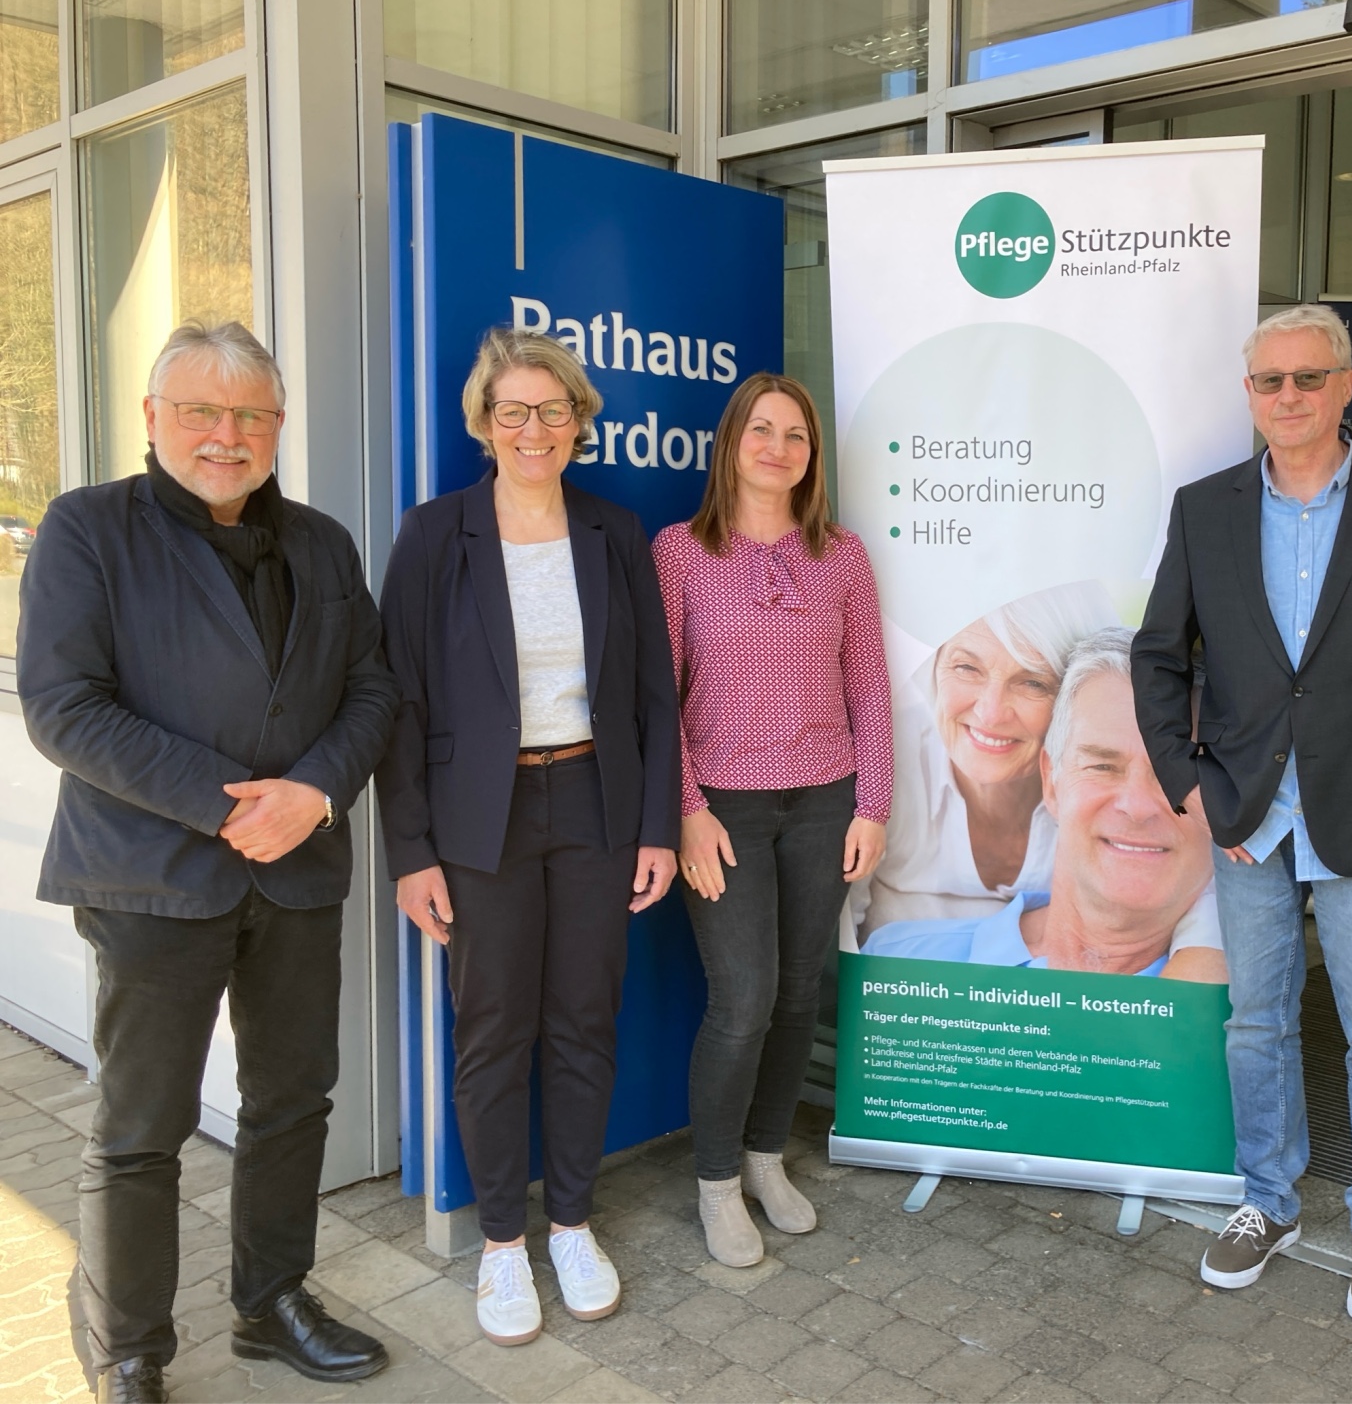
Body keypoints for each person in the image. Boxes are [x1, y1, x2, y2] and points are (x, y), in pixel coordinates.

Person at [17, 321, 399, 1403]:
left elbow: (373, 687)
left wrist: (317, 792)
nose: (226, 436)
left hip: (298, 872)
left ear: (277, 425)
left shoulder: (323, 543)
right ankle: (129, 1345)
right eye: (200, 411)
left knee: (293, 1102)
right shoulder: (88, 531)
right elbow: (62, 707)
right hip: (149, 879)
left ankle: (270, 1303)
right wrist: (233, 809)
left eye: (250, 415)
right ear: (152, 418)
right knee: (143, 1127)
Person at [1133, 303, 1352, 1324]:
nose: (1287, 396)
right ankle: (1267, 1201)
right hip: (1246, 813)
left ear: (1346, 383)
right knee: (1257, 1023)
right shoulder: (1205, 509)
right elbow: (1159, 655)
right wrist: (1187, 782)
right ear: (1249, 396)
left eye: (1307, 377)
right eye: (1268, 381)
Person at [375, 328, 681, 1347]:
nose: (535, 428)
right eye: (515, 410)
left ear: (580, 420)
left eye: (554, 409)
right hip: (480, 820)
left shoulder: (614, 530)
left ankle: (570, 1225)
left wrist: (656, 827)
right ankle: (502, 1244)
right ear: (483, 422)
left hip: (595, 804)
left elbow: (650, 696)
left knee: (586, 1021)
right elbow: (401, 702)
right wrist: (411, 850)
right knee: (493, 1028)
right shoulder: (434, 534)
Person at [654, 372, 893, 1269]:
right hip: (726, 811)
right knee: (744, 999)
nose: (779, 448)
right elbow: (657, 699)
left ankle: (764, 1160)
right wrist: (685, 810)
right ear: (732, 443)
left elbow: (868, 686)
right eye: (763, 430)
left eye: (796, 435)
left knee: (799, 994)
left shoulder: (844, 556)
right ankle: (715, 1183)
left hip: (823, 800)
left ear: (812, 456)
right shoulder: (679, 552)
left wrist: (871, 803)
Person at [856, 585, 1225, 979]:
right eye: (1102, 766)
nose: (991, 713)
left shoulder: (1236, 993)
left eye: (1178, 773)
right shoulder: (897, 959)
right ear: (1052, 779)